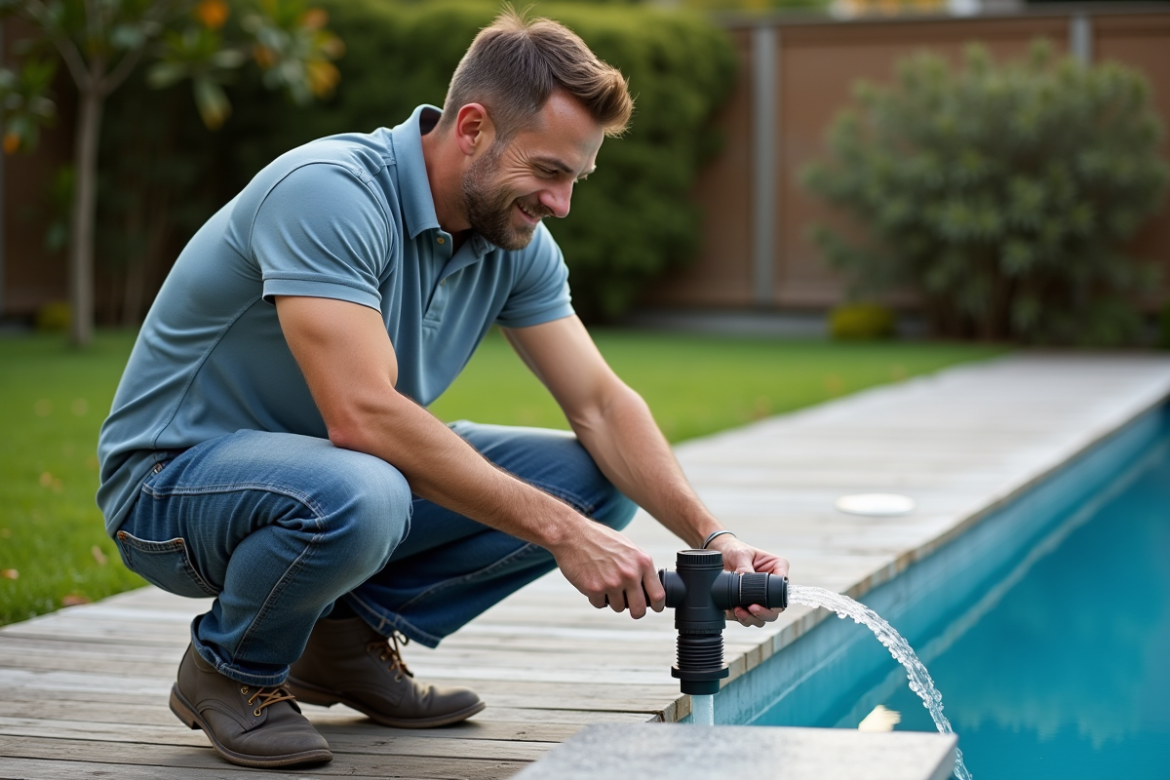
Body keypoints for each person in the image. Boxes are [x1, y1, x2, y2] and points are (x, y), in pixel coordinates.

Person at [97, 8, 789, 769]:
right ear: (471, 128)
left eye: (576, 179)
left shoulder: (511, 237)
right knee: (370, 492)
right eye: (549, 172)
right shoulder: (329, 194)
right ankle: (229, 670)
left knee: (588, 483)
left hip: (331, 474)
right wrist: (561, 535)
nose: (561, 202)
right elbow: (361, 415)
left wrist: (712, 537)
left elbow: (600, 403)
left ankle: (341, 641)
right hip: (170, 489)